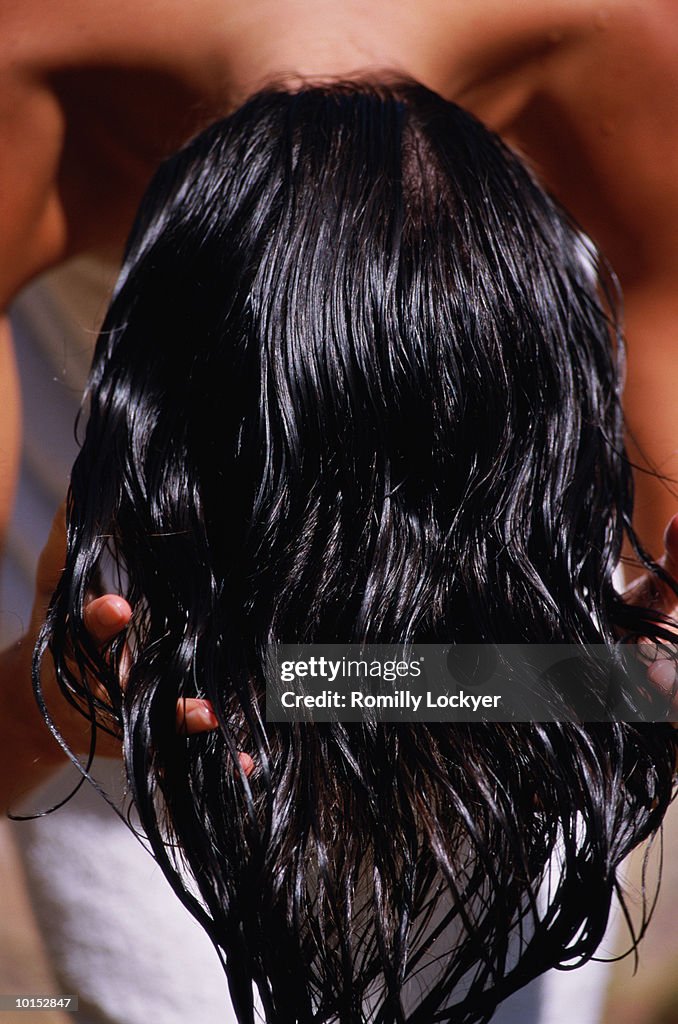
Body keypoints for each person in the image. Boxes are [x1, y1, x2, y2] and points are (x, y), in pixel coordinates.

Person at [0, 2, 677, 1021]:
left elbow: (641, 659)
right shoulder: (26, 87)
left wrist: (638, 658)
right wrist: (48, 697)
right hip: (154, 561)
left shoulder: (619, 45)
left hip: (492, 555)